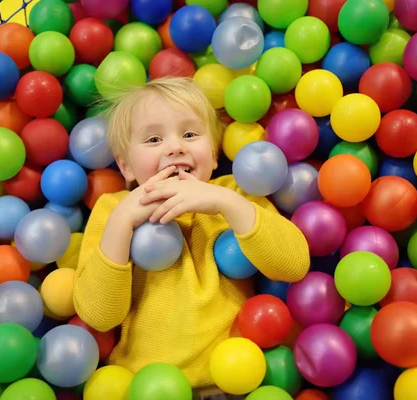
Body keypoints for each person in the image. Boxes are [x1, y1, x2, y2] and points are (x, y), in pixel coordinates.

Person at [72, 76, 310, 397]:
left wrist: (228, 204)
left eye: (190, 134)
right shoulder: (115, 210)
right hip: (144, 387)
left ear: (213, 155)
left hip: (233, 380)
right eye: (154, 139)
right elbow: (99, 316)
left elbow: (294, 265)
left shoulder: (235, 194)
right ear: (126, 166)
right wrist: (123, 221)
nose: (175, 147)